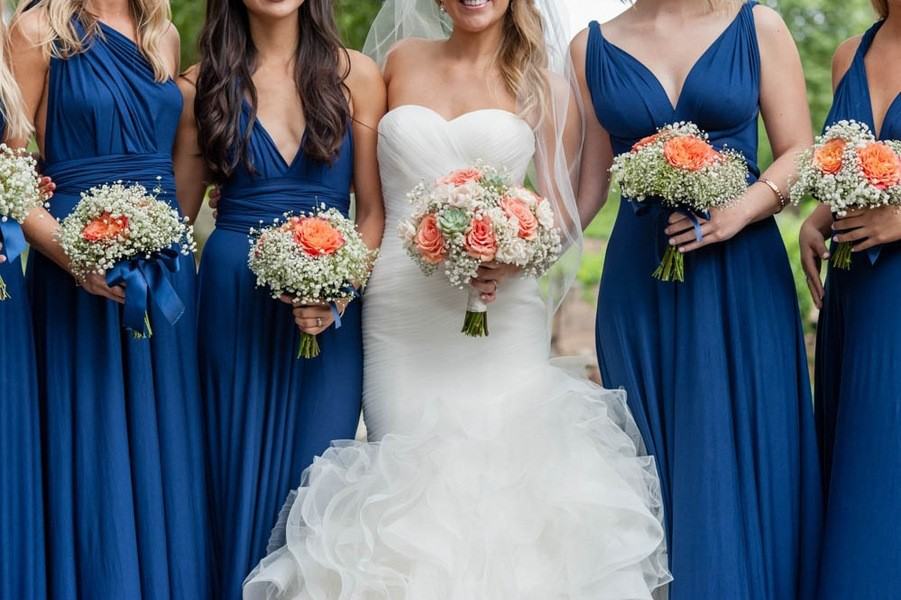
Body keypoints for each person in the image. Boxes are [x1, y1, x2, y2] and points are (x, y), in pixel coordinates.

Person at [243, 0, 670, 598]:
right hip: (399, 310)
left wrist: (516, 254)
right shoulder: (391, 64)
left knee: (504, 480)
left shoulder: (544, 85)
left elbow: (561, 207)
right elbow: (358, 190)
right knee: (404, 472)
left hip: (498, 308)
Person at [572, 0, 822, 597]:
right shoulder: (590, 47)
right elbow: (586, 186)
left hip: (743, 279)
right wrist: (514, 246)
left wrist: (737, 210)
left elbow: (801, 151)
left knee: (744, 459)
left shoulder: (758, 25)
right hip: (641, 288)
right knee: (655, 467)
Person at [175, 0, 385, 597]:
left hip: (331, 315)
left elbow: (370, 212)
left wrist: (339, 289)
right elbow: (178, 219)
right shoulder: (200, 86)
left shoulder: (357, 76)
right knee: (230, 478)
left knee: (318, 484)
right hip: (230, 307)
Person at [10, 0, 211, 596]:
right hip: (73, 264)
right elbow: (10, 172)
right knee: (92, 451)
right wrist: (75, 256)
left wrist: (166, 235)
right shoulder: (35, 29)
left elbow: (177, 159)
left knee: (163, 451)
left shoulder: (162, 32)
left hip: (163, 267)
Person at [799, 0, 901, 597]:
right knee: (855, 465)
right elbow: (852, 165)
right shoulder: (849, 55)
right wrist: (819, 215)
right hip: (854, 290)